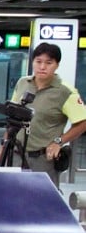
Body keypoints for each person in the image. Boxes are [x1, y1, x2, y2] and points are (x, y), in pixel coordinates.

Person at [6, 42, 86, 188]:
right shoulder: (23, 83)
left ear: (57, 65)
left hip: (42, 159)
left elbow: (82, 122)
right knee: (11, 198)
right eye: (38, 62)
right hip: (15, 153)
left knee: (42, 203)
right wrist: (4, 145)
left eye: (49, 63)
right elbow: (12, 116)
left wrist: (59, 142)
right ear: (32, 62)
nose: (42, 67)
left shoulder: (65, 91)